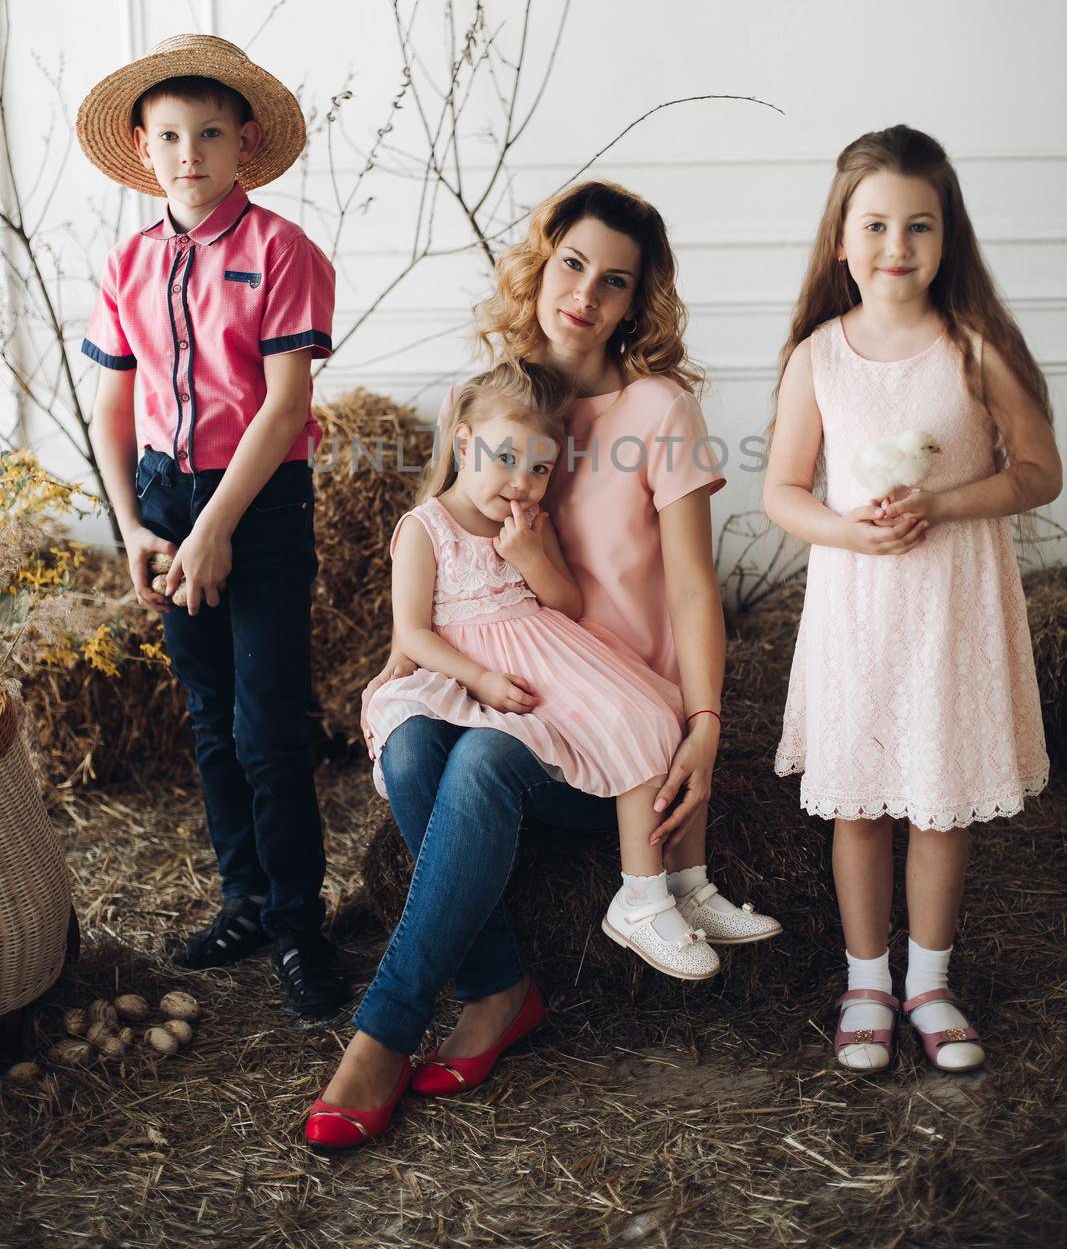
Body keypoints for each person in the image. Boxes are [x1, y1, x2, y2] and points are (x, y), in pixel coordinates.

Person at [305, 179, 780, 1153]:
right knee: (407, 752)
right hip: (511, 680)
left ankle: (381, 1034)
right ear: (541, 260)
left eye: (614, 281)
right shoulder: (489, 396)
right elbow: (442, 553)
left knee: (479, 762)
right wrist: (405, 662)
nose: (585, 295)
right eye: (571, 264)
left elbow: (694, 588)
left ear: (634, 300)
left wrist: (703, 723)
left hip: (609, 729)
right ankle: (498, 988)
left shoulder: (659, 407)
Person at [763, 124, 1058, 1074]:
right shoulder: (818, 356)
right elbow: (781, 492)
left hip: (949, 609)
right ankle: (866, 984)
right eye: (876, 225)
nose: (897, 247)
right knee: (860, 806)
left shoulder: (974, 348)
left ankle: (929, 983)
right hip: (856, 611)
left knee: (936, 807)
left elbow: (1038, 472)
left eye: (919, 226)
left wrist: (942, 504)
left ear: (948, 237)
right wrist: (850, 530)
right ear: (840, 240)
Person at [78, 33, 347, 1020]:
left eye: (209, 133)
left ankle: (296, 920)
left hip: (259, 500)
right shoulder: (128, 262)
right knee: (207, 716)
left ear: (245, 143)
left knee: (266, 721)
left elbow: (281, 409)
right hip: (161, 495)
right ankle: (241, 898)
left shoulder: (281, 253)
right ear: (144, 149)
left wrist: (216, 527)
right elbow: (113, 407)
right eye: (169, 135)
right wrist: (136, 530)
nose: (188, 151)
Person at [363, 356, 722, 982]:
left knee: (643, 712)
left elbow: (566, 604)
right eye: (505, 459)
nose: (521, 481)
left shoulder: (529, 522)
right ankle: (637, 899)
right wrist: (480, 680)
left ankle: (667, 889)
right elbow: (414, 630)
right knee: (427, 750)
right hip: (470, 674)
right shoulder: (424, 530)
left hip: (543, 655)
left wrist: (530, 551)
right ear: (465, 443)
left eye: (539, 468)